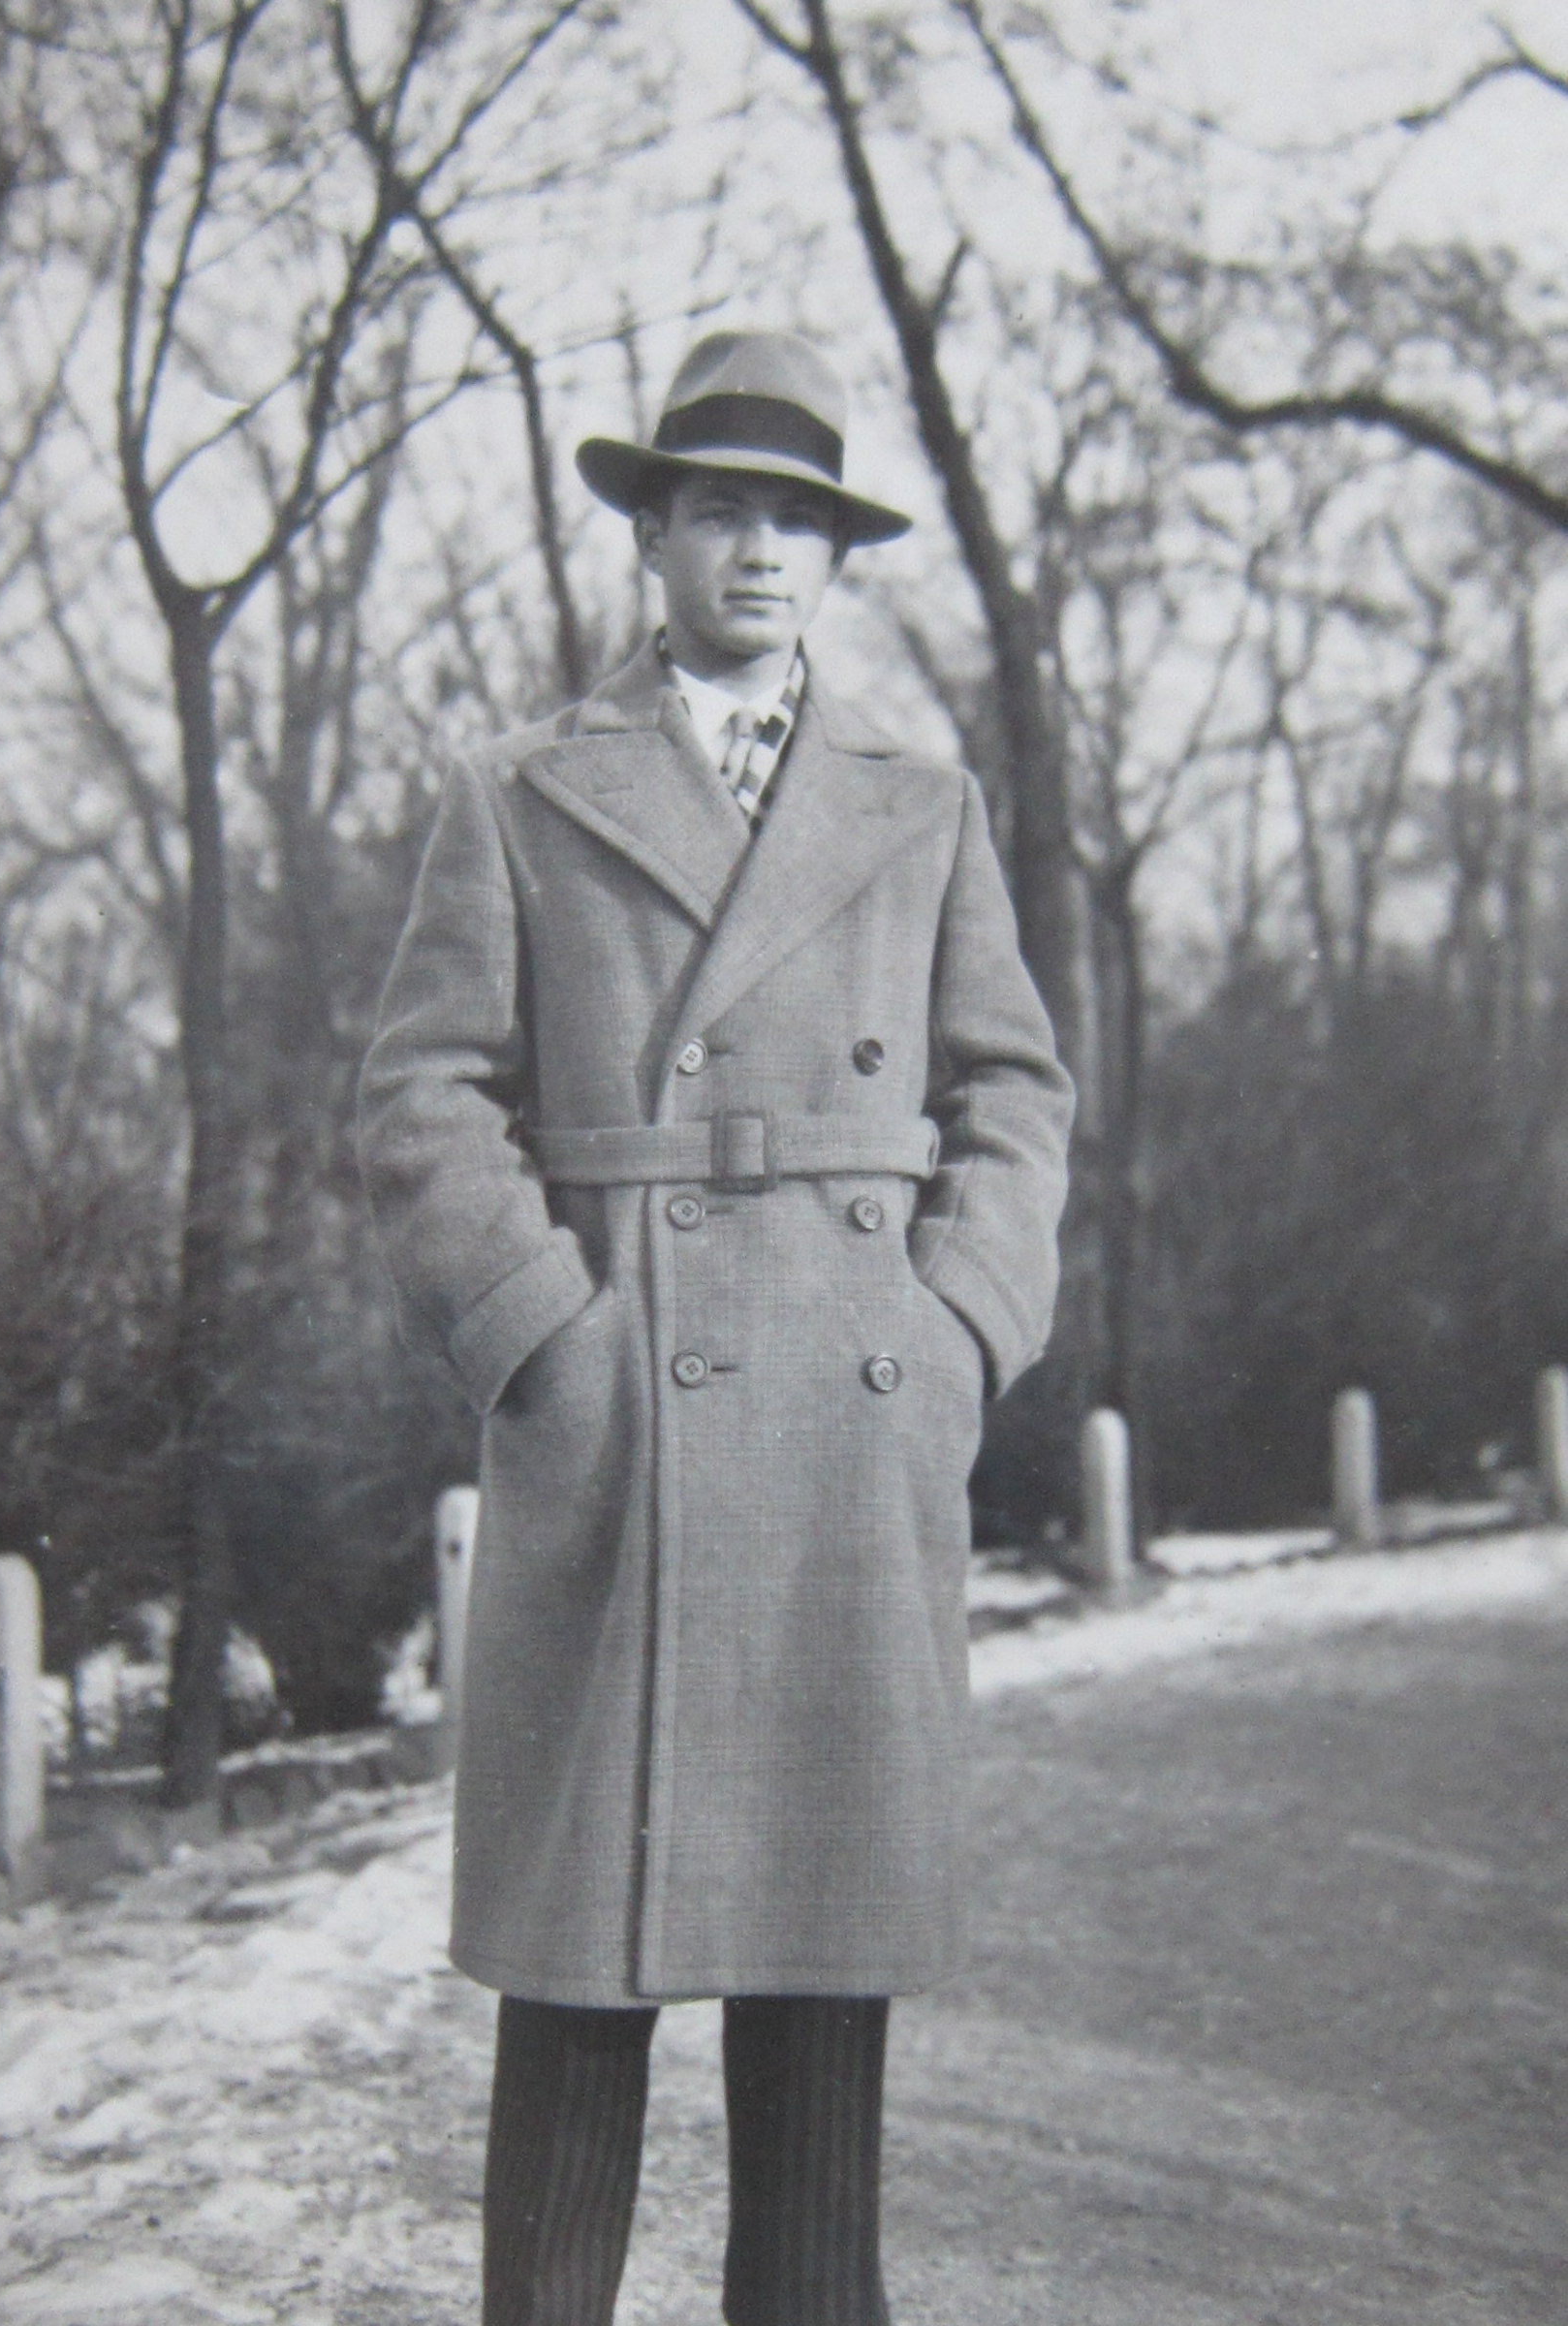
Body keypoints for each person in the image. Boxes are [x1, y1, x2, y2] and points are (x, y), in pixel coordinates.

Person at [358, 329, 1074, 2326]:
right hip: (621, 1430)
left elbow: (1014, 1092)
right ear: (652, 538)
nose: (759, 552)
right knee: (580, 1977)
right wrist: (546, 1338)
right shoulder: (519, 789)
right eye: (719, 511)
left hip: (851, 1423)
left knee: (820, 1994)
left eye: (796, 523)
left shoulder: (920, 805)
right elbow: (420, 1094)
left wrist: (956, 1333)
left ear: (835, 560)